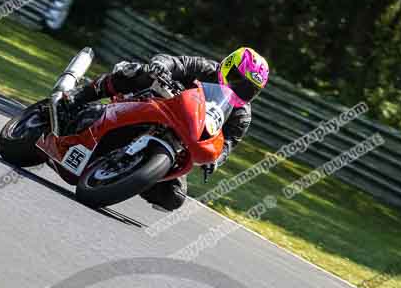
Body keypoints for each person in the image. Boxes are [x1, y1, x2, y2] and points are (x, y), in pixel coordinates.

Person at [63, 47, 270, 211]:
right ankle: (80, 96)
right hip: (157, 103)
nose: (239, 88)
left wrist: (215, 161)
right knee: (138, 72)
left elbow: (228, 143)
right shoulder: (205, 67)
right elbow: (175, 62)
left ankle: (130, 175)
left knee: (175, 197)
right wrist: (160, 65)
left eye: (248, 89)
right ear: (227, 65)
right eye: (237, 79)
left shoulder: (241, 114)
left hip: (180, 140)